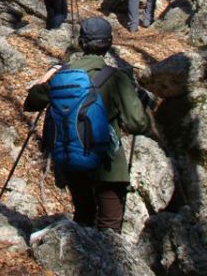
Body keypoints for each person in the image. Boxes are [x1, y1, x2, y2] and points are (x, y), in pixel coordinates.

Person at [23, 17, 152, 232]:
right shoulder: (116, 78)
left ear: (82, 43)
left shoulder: (63, 76)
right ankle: (105, 264)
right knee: (110, 225)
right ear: (109, 44)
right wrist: (141, 104)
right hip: (108, 165)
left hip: (72, 159)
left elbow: (31, 102)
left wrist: (49, 76)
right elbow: (138, 124)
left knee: (83, 215)